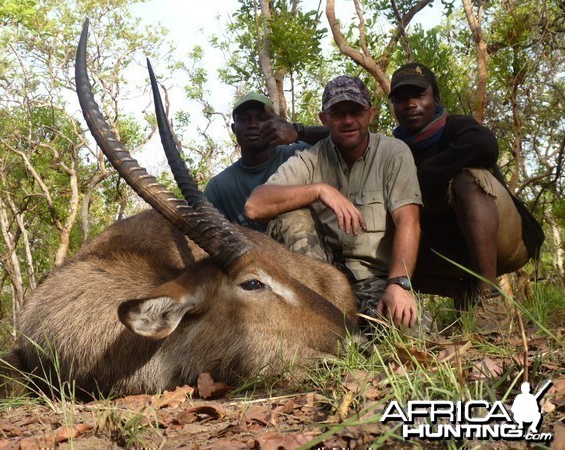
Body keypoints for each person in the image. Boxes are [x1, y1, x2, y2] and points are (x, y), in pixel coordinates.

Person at [245, 75, 423, 330]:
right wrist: (320, 190)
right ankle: (318, 319)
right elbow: (254, 206)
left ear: (371, 114)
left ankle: (348, 330)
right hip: (323, 282)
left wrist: (399, 285)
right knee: (291, 218)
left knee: (409, 335)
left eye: (356, 111)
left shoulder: (393, 153)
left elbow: (409, 221)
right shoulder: (309, 159)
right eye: (338, 113)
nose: (348, 120)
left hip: (375, 281)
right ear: (323, 119)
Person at [388, 62, 544, 332]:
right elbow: (348, 134)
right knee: (381, 222)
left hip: (505, 244)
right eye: (402, 98)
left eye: (419, 95)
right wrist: (302, 131)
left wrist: (423, 174)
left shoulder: (457, 127)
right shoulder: (393, 148)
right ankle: (464, 293)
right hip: (448, 253)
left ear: (435, 99)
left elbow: (485, 145)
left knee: (468, 180)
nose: (410, 104)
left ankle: (489, 297)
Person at [204, 92, 327, 232]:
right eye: (244, 120)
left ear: (275, 123)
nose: (253, 125)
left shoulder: (300, 156)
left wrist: (298, 131)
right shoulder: (218, 187)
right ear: (233, 129)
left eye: (261, 118)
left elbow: (341, 138)